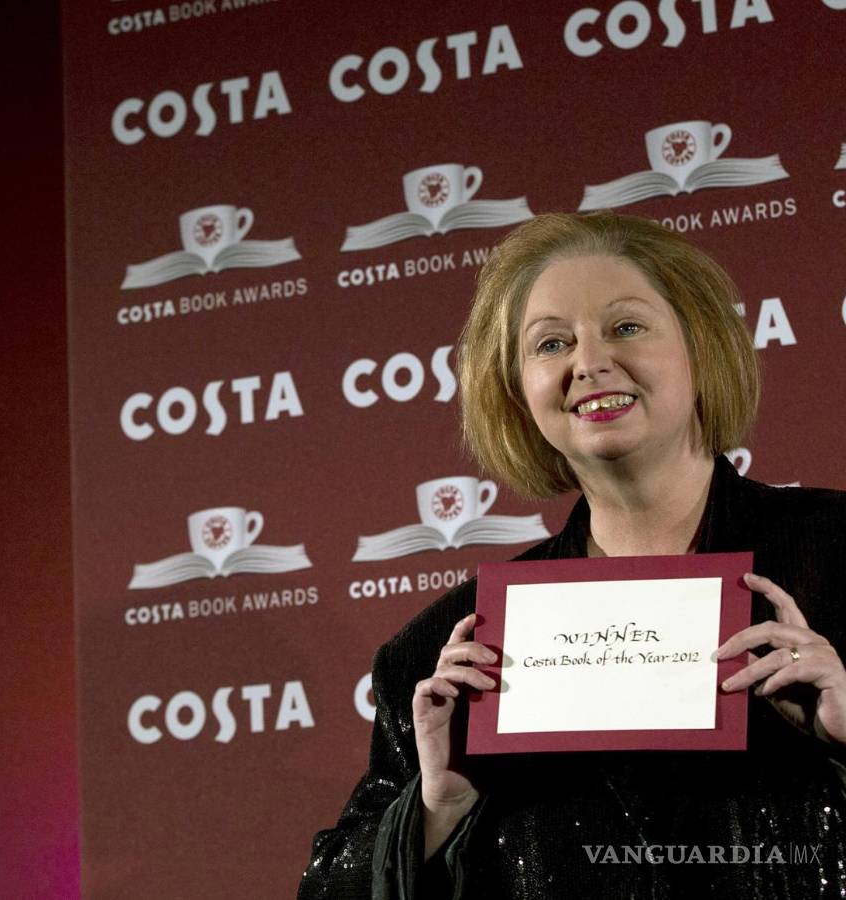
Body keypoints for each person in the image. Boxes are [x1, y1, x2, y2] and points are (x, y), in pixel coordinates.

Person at [297, 211, 846, 899]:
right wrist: (434, 810)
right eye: (551, 343)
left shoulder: (837, 556)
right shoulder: (446, 652)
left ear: (701, 348)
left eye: (626, 327)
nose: (588, 364)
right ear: (518, 394)